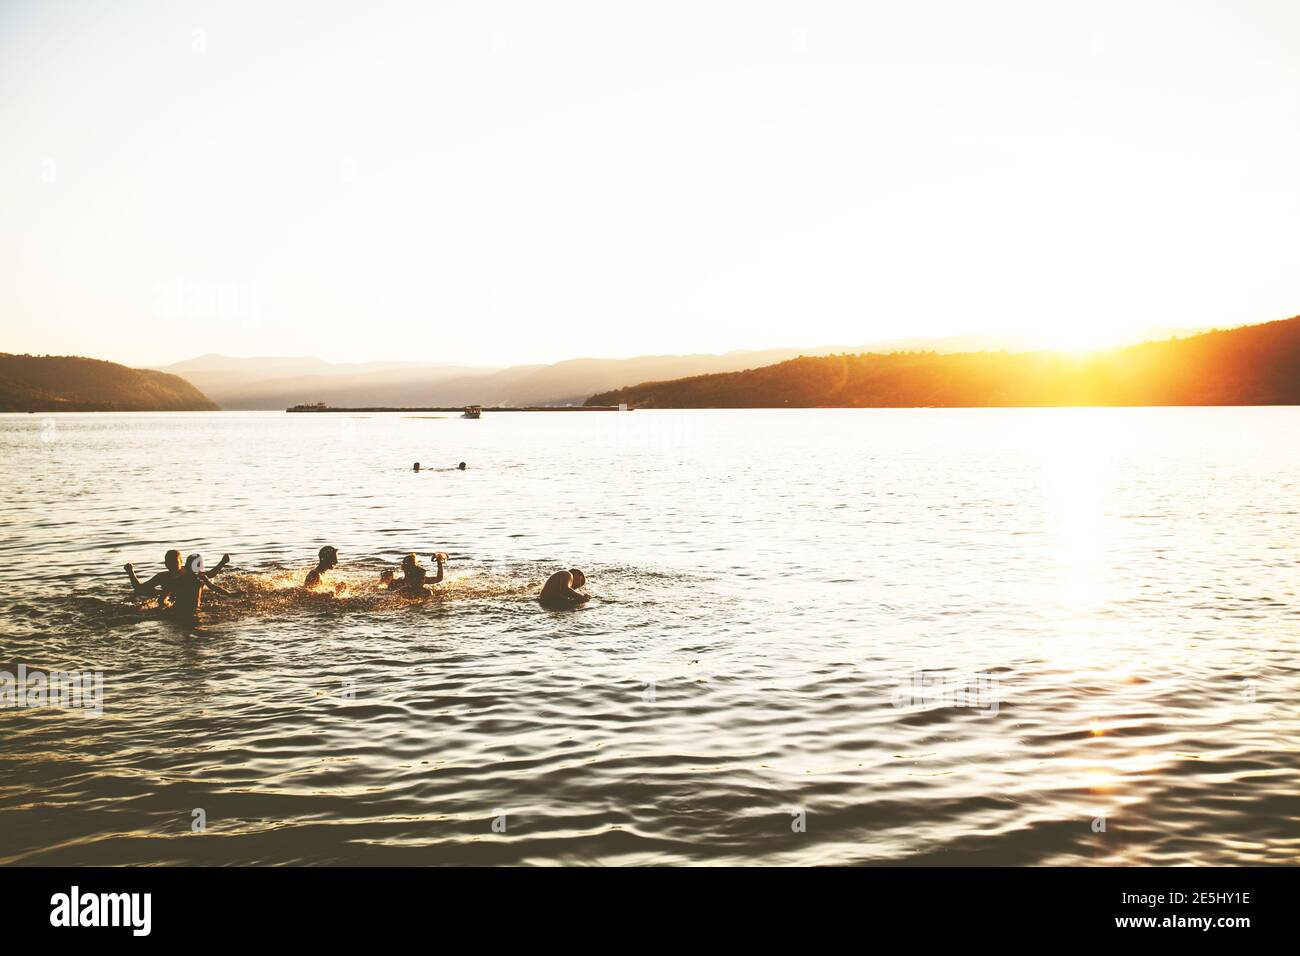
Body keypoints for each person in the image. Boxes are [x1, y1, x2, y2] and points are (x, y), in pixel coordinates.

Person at [125, 549, 229, 606]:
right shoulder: (162, 577)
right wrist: (131, 572)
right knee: (152, 593)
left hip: (184, 599)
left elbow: (209, 574)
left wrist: (222, 562)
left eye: (175, 562)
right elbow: (139, 588)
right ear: (165, 564)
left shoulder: (188, 572)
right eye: (169, 563)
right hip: (168, 597)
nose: (172, 565)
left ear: (181, 563)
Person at [165, 554, 234, 623]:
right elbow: (213, 586)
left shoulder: (179, 575)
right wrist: (229, 594)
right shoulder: (199, 577)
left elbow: (211, 574)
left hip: (178, 609)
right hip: (193, 610)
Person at [382, 552, 447, 595]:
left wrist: (439, 562)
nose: (422, 580)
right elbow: (438, 578)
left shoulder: (397, 583)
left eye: (422, 577)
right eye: (421, 578)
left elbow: (438, 579)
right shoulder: (397, 584)